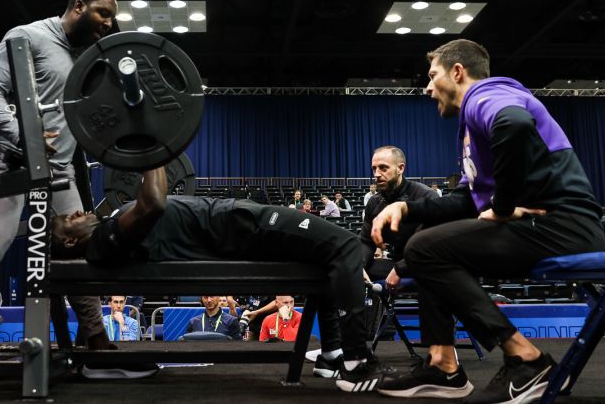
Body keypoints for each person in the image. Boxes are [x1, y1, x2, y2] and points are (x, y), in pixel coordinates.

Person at [365, 39, 605, 404]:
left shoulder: (486, 95)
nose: (427, 88)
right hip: (551, 227)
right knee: (429, 245)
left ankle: (527, 360)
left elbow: (515, 123)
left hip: (564, 225)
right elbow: (464, 201)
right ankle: (443, 366)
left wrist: (504, 206)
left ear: (457, 72)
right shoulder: (472, 125)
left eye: (433, 76)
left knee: (425, 249)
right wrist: (405, 208)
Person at [49, 166, 385, 391]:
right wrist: (155, 149)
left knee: (325, 253)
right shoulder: (106, 239)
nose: (76, 213)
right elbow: (152, 202)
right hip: (244, 229)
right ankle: (354, 364)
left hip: (238, 225)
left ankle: (331, 355)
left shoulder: (109, 232)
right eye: (68, 220)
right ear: (69, 241)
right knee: (345, 245)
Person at [0, 0, 118, 361]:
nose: (109, 24)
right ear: (78, 6)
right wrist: (26, 138)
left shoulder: (86, 59)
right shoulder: (27, 36)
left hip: (59, 170)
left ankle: (96, 340)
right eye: (104, 14)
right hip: (9, 158)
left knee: (80, 248)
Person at [360, 146, 435, 282]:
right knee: (346, 270)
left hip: (426, 264)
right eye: (374, 168)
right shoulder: (374, 202)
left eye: (383, 168)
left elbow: (429, 246)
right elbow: (366, 242)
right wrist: (359, 266)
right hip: (397, 262)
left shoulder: (426, 196)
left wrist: (401, 268)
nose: (376, 174)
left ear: (400, 168)